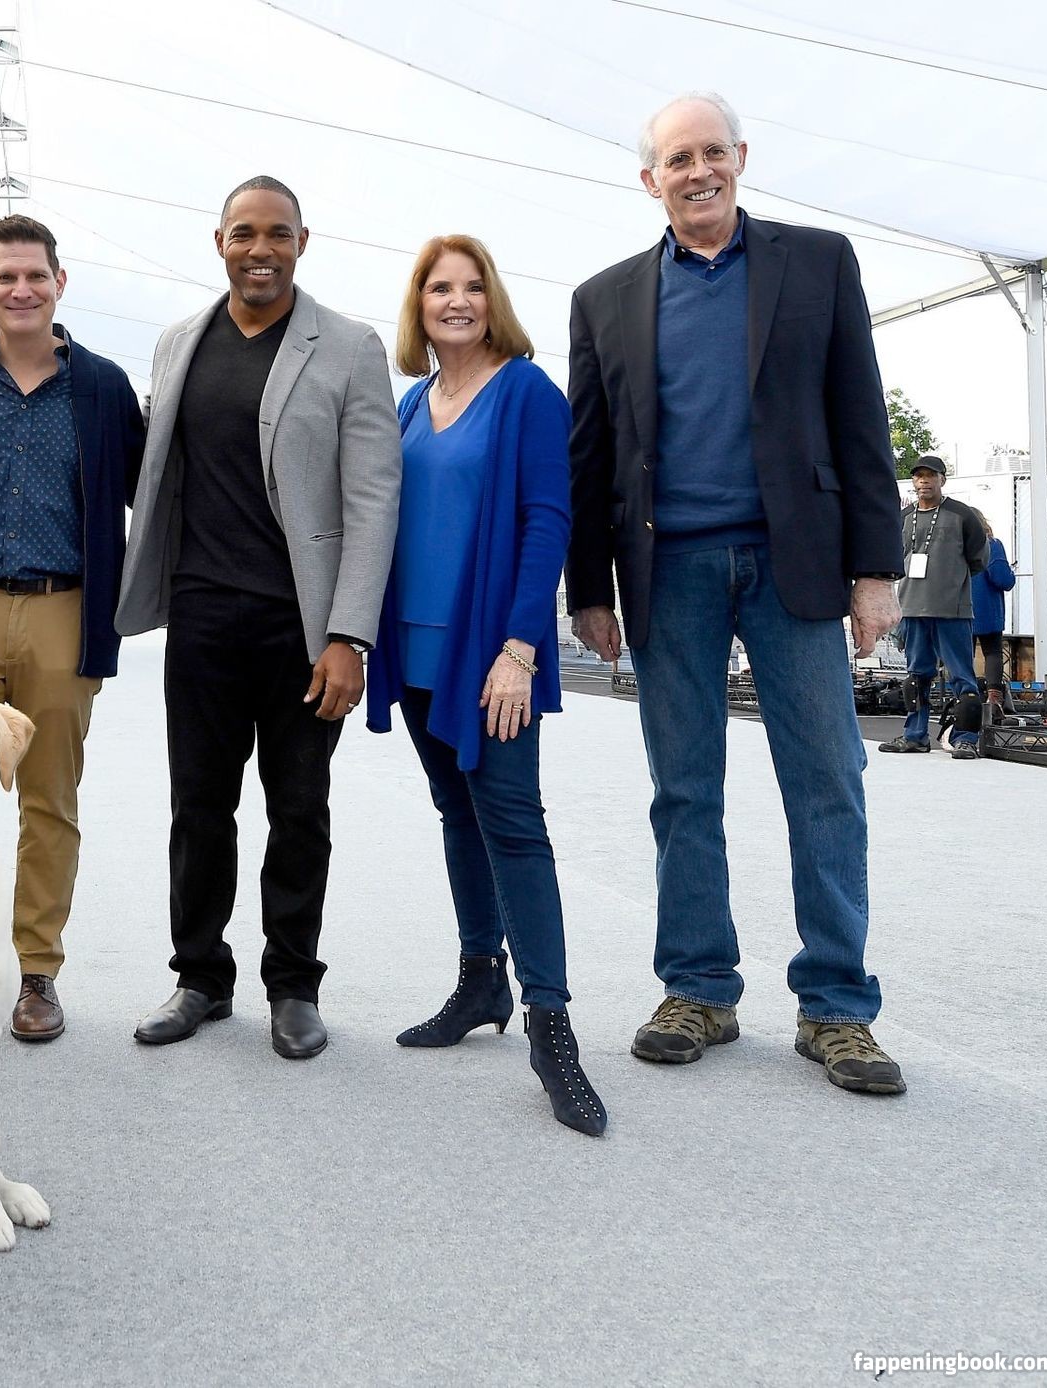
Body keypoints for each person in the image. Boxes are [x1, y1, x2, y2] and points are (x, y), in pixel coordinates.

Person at [567, 92, 909, 1095]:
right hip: (667, 569)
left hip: (791, 562)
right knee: (683, 787)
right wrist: (589, 588)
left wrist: (877, 570)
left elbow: (862, 417)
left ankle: (837, 1005)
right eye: (678, 159)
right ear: (651, 179)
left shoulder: (818, 263)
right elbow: (589, 456)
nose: (699, 171)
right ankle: (699, 987)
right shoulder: (604, 298)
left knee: (828, 779)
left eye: (713, 151)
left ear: (742, 158)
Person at [120, 176, 401, 1061]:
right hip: (202, 614)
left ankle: (293, 985)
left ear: (302, 242)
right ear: (220, 243)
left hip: (302, 629)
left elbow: (374, 499)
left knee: (300, 810)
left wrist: (350, 636)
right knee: (199, 806)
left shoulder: (350, 347)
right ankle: (200, 977)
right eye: (244, 233)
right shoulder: (178, 343)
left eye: (278, 233)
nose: (260, 250)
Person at [363, 235, 604, 1135]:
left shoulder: (528, 392)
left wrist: (520, 650)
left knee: (512, 823)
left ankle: (553, 1028)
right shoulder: (411, 402)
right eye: (439, 288)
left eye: (471, 287)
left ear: (491, 299)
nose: (456, 301)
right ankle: (480, 982)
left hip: (489, 654)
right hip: (415, 648)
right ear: (419, 305)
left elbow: (548, 521)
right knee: (456, 813)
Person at [0, 215, 146, 1042]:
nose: (21, 289)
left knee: (49, 800)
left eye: (35, 275)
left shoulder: (104, 387)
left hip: (64, 612)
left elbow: (149, 492)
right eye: (5, 276)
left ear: (59, 283)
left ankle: (36, 971)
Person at [879, 456, 988, 759]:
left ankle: (966, 739)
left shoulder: (962, 515)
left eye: (930, 475)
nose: (924, 481)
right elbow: (893, 556)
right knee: (916, 676)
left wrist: (951, 581)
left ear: (942, 479)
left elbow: (979, 558)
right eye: (919, 476)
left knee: (962, 677)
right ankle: (915, 736)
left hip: (951, 609)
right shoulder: (903, 516)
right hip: (912, 607)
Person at [972, 517, 1018, 714]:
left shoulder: (954, 547)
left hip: (957, 608)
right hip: (986, 608)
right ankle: (994, 699)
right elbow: (1002, 579)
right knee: (992, 652)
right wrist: (1011, 574)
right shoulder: (991, 545)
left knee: (963, 654)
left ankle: (965, 697)